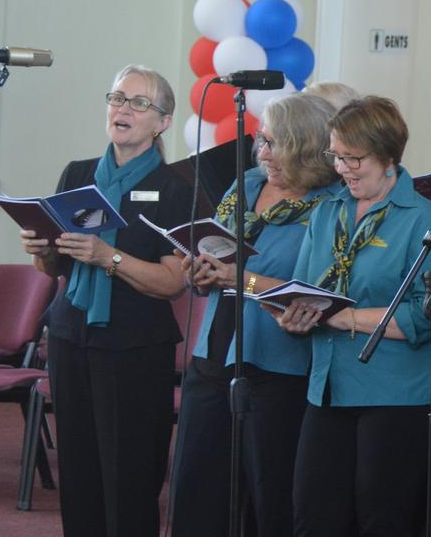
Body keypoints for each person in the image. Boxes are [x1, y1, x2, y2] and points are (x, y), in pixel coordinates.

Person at [20, 65, 192, 536]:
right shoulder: (78, 174)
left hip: (134, 347)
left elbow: (173, 282)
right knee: (79, 471)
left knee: (130, 475)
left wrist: (107, 256)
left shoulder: (177, 188)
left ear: (162, 122)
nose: (123, 109)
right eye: (117, 98)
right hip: (73, 337)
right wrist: (44, 251)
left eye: (139, 103)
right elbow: (55, 270)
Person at [274, 96, 431, 536]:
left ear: (389, 156)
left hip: (394, 396)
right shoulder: (327, 211)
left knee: (381, 521)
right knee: (311, 517)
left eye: (354, 158)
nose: (342, 169)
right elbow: (304, 288)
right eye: (337, 156)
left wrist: (344, 318)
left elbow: (427, 316)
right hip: (328, 388)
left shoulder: (425, 220)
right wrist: (293, 318)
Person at [169, 92, 341, 537]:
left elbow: (314, 291)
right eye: (261, 141)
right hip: (213, 355)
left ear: (306, 147)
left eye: (274, 144)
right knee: (196, 493)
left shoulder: (332, 205)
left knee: (270, 499)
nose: (262, 154)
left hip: (276, 367)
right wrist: (199, 271)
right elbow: (219, 256)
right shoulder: (245, 184)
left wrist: (236, 279)